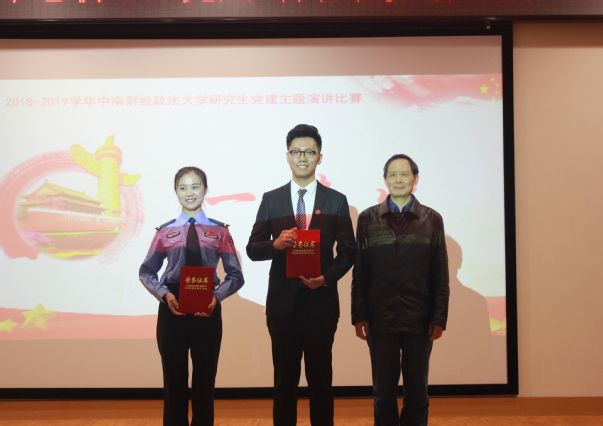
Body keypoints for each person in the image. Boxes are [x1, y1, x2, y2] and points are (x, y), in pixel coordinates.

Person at [246, 124, 356, 426]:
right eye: (296, 152)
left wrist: (327, 278)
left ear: (320, 156)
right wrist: (275, 244)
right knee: (284, 383)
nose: (303, 157)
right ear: (287, 156)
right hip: (282, 307)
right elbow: (253, 249)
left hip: (321, 304)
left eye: (309, 151)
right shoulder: (272, 199)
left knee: (321, 382)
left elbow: (348, 252)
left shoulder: (336, 200)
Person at [139, 166, 244, 426]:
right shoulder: (164, 232)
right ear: (176, 191)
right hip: (172, 307)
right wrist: (164, 294)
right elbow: (147, 272)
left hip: (207, 307)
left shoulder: (220, 232)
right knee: (173, 382)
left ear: (205, 190)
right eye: (183, 187)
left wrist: (216, 297)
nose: (189, 193)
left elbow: (235, 275)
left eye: (195, 186)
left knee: (204, 382)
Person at [351, 154, 449, 426]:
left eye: (404, 174)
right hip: (380, 317)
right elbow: (361, 271)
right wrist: (359, 314)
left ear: (415, 179)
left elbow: (440, 273)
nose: (398, 180)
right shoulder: (368, 219)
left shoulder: (432, 219)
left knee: (417, 391)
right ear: (385, 180)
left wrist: (438, 317)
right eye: (392, 175)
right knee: (383, 392)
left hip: (420, 318)